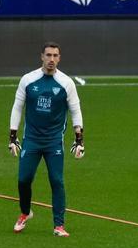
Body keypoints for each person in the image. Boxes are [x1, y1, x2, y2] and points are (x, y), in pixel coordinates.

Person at [8, 43, 84, 237]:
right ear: (41, 56)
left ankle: (59, 225)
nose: (51, 59)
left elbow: (75, 110)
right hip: (31, 140)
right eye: (48, 55)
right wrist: (13, 136)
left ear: (59, 58)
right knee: (23, 180)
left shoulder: (66, 83)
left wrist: (79, 139)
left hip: (53, 142)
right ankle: (25, 212)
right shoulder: (28, 80)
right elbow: (18, 107)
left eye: (55, 55)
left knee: (57, 180)